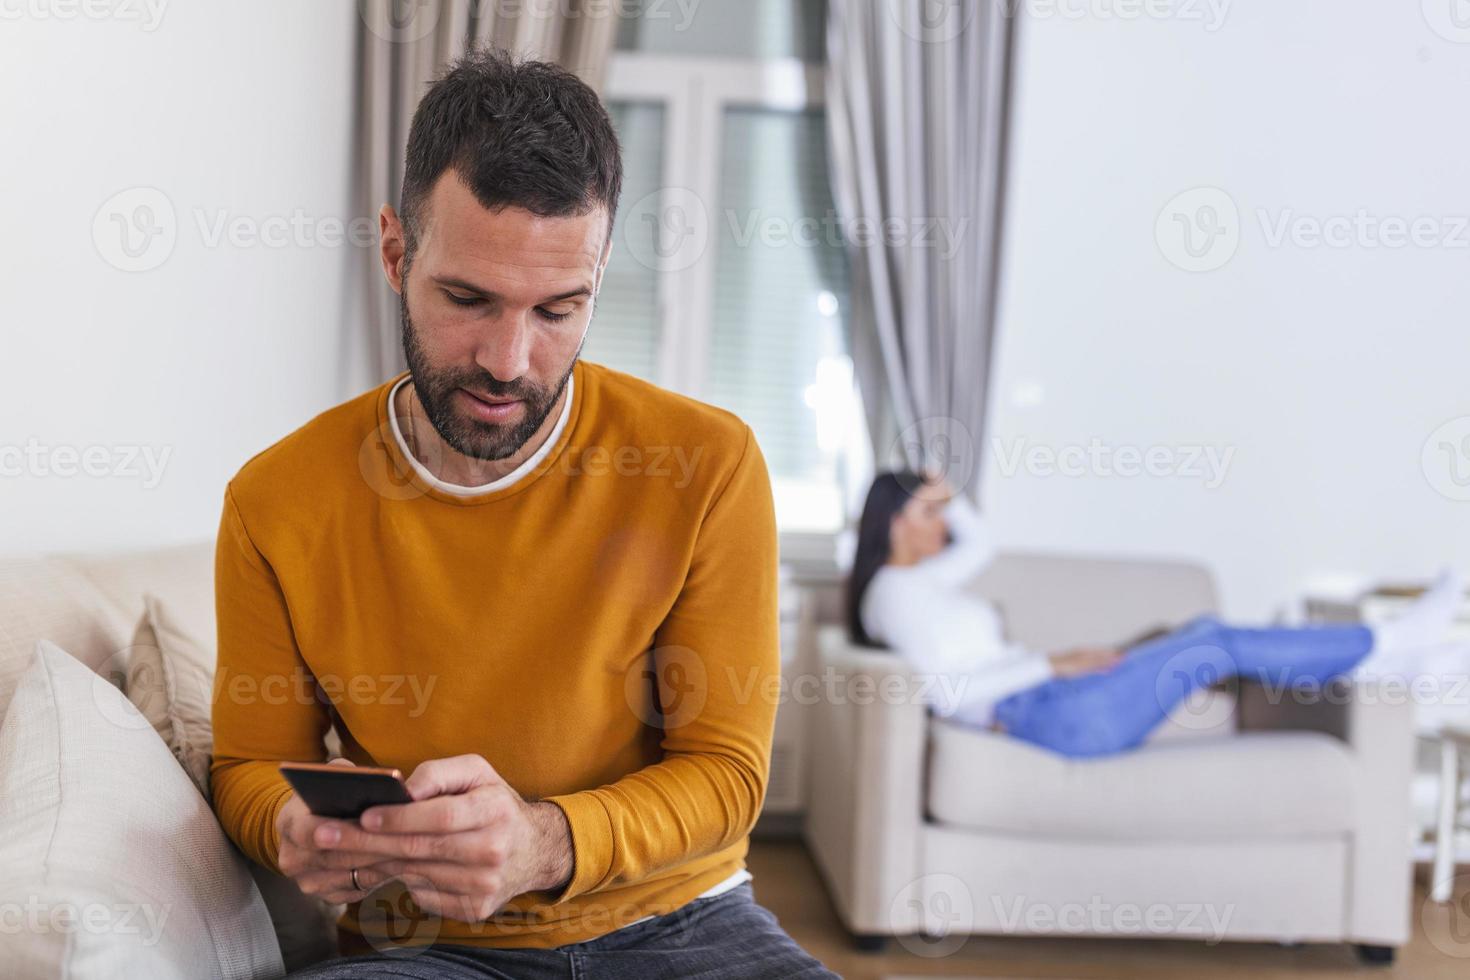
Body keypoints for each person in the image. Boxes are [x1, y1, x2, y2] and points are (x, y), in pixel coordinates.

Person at [209, 48, 836, 979]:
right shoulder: (275, 500)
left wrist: (545, 844)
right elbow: (249, 769)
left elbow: (730, 777)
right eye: (469, 299)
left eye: (558, 308)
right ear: (395, 253)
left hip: (681, 923)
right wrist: (292, 823)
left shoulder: (708, 465)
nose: (509, 359)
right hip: (426, 945)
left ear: (599, 275)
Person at [847, 470, 1464, 758]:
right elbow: (943, 693)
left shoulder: (918, 580)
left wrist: (940, 492)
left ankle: (1388, 662)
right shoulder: (895, 596)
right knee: (1212, 641)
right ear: (897, 522)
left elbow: (981, 546)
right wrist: (1051, 663)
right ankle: (1392, 644)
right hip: (1044, 713)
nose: (945, 528)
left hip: (1056, 702)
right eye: (931, 517)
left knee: (1198, 636)